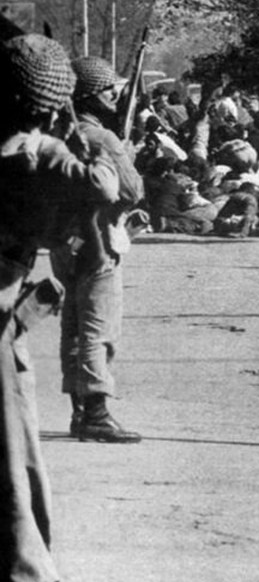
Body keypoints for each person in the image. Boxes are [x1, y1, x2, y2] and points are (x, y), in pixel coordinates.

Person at [0, 33, 116, 582]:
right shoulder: (37, 154)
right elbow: (107, 185)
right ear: (47, 106)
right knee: (16, 473)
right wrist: (75, 132)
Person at [50, 56, 143, 444]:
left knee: (74, 323)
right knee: (98, 327)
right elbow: (132, 190)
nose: (115, 97)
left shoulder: (61, 134)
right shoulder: (101, 138)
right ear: (94, 96)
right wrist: (126, 152)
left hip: (65, 242)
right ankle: (96, 413)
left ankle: (79, 408)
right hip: (98, 239)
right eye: (110, 92)